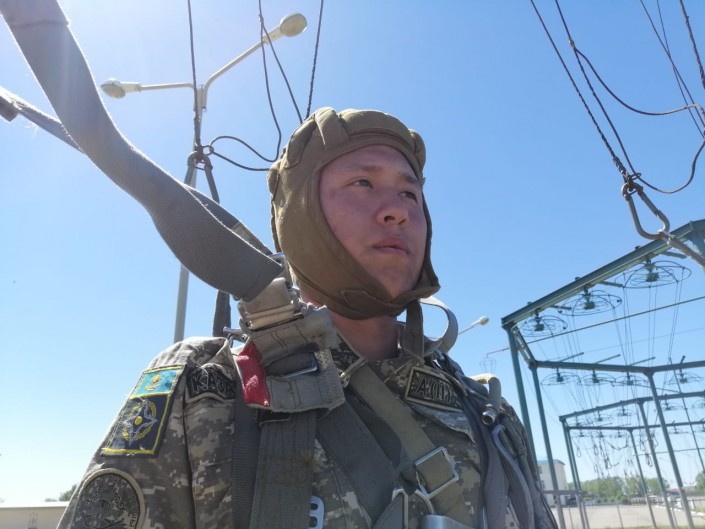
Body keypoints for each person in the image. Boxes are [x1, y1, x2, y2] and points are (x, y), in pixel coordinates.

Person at [57, 108, 556, 529]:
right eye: (363, 183)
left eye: (410, 193)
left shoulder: (484, 412)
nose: (397, 211)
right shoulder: (207, 386)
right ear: (299, 218)